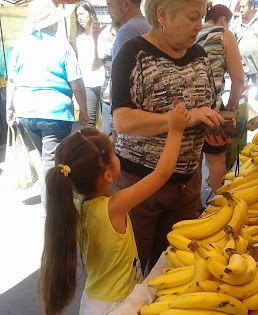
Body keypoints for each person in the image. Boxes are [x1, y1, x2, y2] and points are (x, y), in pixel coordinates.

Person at [38, 104, 191, 315]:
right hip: (116, 306)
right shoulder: (114, 207)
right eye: (114, 153)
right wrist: (175, 130)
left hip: (94, 304)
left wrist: (57, 306)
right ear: (108, 175)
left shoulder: (73, 212)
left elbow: (61, 263)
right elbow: (162, 174)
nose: (117, 155)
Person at [111, 0, 231, 274]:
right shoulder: (133, 53)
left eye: (201, 16)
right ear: (162, 14)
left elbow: (207, 107)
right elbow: (123, 120)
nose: (199, 25)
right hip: (140, 188)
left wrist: (213, 133)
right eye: (192, 18)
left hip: (186, 188)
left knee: (176, 273)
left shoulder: (200, 56)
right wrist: (178, 120)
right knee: (131, 275)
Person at [6, 0, 88, 210]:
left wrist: (9, 108)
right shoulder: (62, 46)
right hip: (55, 114)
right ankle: (51, 211)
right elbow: (77, 84)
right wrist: (84, 111)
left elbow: (12, 81)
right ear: (52, 23)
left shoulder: (21, 45)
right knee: (50, 162)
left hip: (26, 113)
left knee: (47, 157)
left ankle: (58, 198)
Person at [195, 4, 244, 192]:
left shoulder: (189, 31)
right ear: (224, 19)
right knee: (216, 159)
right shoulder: (223, 33)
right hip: (212, 108)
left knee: (191, 159)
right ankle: (219, 206)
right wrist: (231, 106)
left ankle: (194, 208)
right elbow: (238, 78)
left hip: (187, 107)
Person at [106, 0, 150, 141]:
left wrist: (115, 123)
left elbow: (120, 80)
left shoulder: (127, 31)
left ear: (125, 4)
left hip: (130, 119)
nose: (108, 12)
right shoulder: (148, 25)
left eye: (109, 5)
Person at [74, 1, 113, 129]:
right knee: (89, 122)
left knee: (107, 122)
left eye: (81, 14)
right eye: (77, 15)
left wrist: (95, 37)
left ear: (91, 14)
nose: (79, 18)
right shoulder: (79, 37)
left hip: (103, 83)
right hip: (87, 84)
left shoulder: (103, 32)